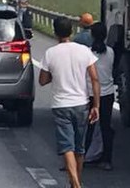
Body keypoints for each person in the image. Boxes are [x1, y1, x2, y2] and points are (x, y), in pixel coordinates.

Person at [39, 15, 100, 188]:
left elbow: (42, 80)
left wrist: (56, 74)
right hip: (81, 104)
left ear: (55, 32)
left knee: (67, 147)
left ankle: (75, 184)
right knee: (79, 148)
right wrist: (96, 105)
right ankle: (76, 182)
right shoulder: (83, 51)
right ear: (72, 31)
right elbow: (95, 79)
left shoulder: (50, 53)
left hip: (61, 105)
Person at [85, 22, 115, 171]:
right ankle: (107, 160)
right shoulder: (110, 52)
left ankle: (82, 157)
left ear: (92, 35)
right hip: (107, 94)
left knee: (89, 127)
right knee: (106, 126)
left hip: (91, 93)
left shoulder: (88, 53)